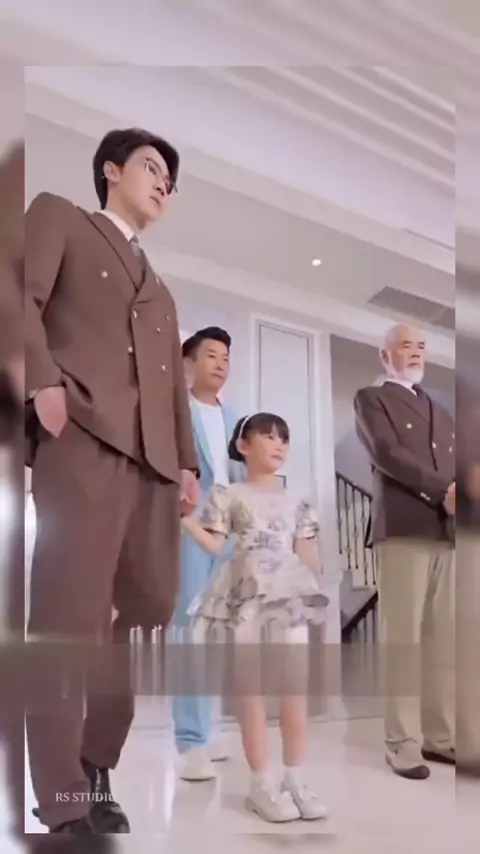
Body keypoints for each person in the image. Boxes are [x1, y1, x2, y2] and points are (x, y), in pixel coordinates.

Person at [24, 127, 199, 835]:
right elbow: (15, 298)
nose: (163, 185)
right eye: (152, 168)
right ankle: (64, 795)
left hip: (154, 466)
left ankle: (97, 757)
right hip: (83, 440)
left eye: (170, 181)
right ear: (110, 170)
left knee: (151, 610)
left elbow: (175, 389)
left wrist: (187, 462)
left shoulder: (162, 291)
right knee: (67, 619)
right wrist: (41, 382)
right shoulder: (59, 217)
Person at [182, 413, 329, 823]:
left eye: (284, 438)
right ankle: (261, 783)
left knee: (294, 692)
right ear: (243, 446)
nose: (279, 444)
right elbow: (216, 545)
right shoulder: (229, 495)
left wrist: (314, 594)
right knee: (252, 693)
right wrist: (186, 521)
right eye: (268, 436)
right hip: (247, 596)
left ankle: (295, 779)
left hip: (289, 598)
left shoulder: (299, 500)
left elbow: (306, 551)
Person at [354, 324, 455, 780]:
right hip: (403, 528)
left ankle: (439, 737)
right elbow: (385, 452)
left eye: (421, 347)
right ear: (385, 355)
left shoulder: (441, 410)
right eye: (405, 346)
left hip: (446, 532)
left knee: (441, 640)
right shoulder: (372, 399)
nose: (415, 353)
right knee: (403, 641)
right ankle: (401, 744)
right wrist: (443, 489)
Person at [172, 326, 241, 781]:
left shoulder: (236, 418)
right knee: (190, 632)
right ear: (188, 363)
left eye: (226, 357)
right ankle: (190, 740)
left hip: (228, 533)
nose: (220, 364)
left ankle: (208, 728)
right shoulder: (176, 411)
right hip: (189, 530)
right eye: (211, 355)